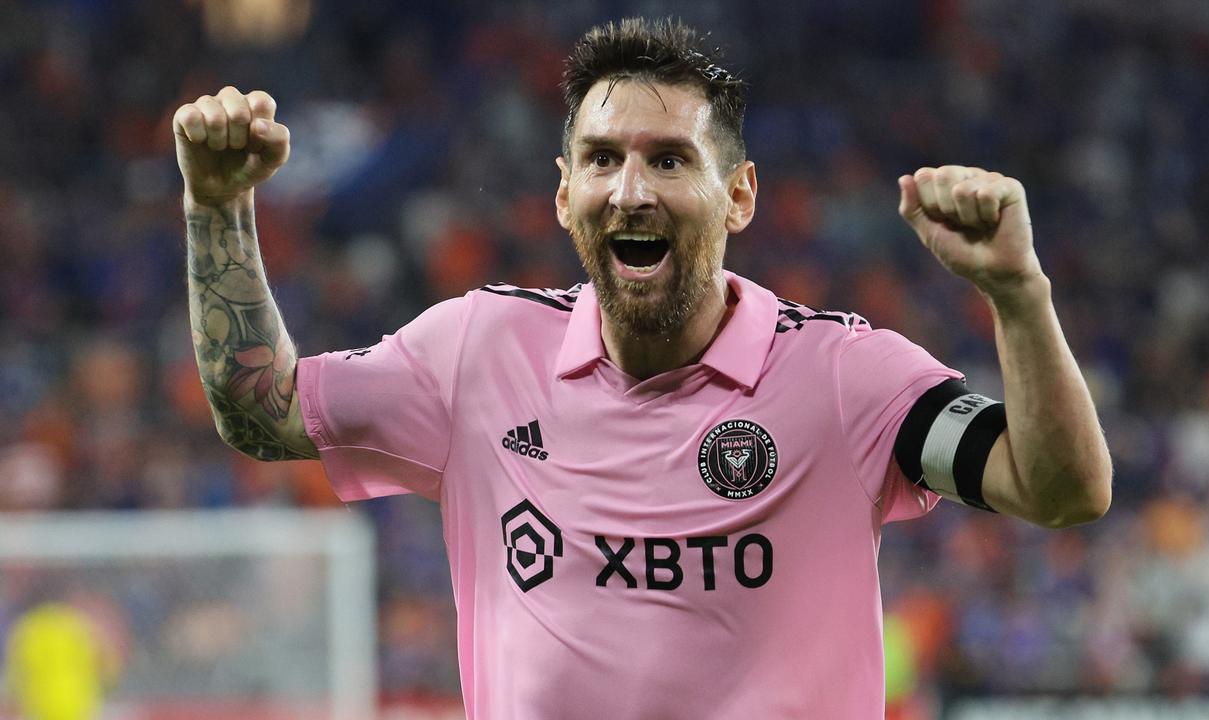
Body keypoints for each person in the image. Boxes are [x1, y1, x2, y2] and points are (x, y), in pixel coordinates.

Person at [174, 17, 1111, 719]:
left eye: (670, 160)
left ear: (738, 194)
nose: (631, 189)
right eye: (602, 159)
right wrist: (216, 206)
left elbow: (1061, 491)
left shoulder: (843, 376)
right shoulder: (478, 353)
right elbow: (263, 410)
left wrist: (1020, 296)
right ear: (563, 192)